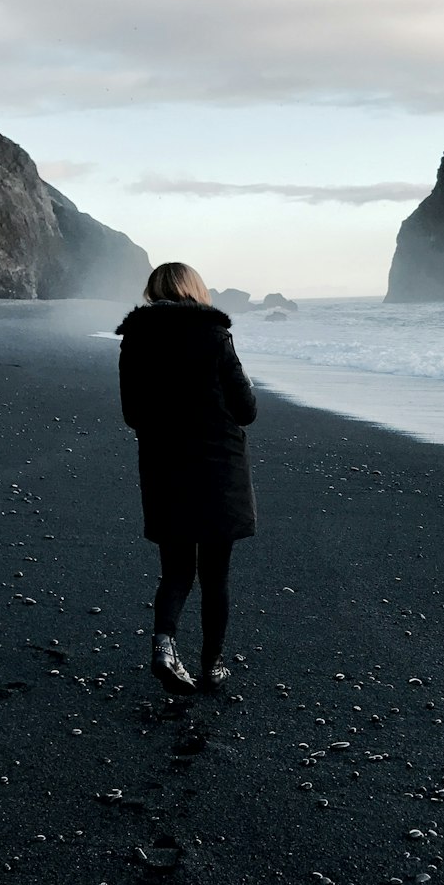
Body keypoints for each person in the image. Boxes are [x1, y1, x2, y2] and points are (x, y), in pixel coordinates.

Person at [117, 262, 257, 694]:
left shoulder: (135, 340)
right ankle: (211, 666)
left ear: (154, 289)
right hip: (218, 468)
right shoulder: (215, 336)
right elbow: (246, 409)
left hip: (164, 468)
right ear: (195, 289)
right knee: (216, 574)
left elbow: (132, 415)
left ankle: (163, 645)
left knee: (176, 570)